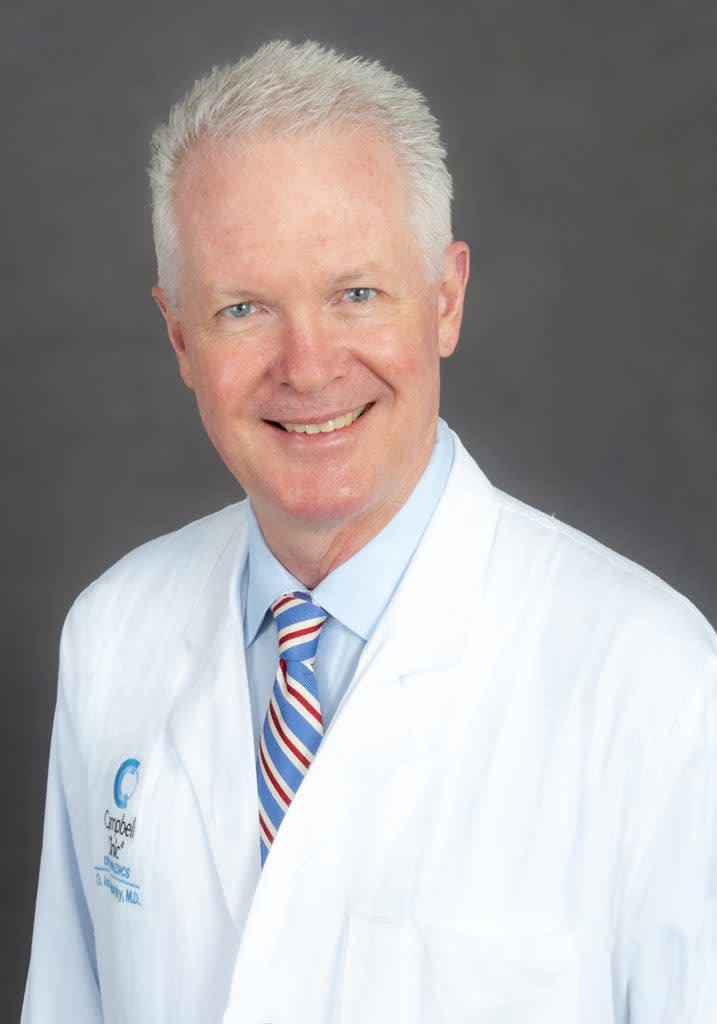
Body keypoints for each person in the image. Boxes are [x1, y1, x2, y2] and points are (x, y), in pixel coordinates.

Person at [23, 39, 715, 1024]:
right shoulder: (114, 636)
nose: (308, 367)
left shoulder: (654, 683)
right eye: (242, 307)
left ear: (445, 300)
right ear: (179, 336)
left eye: (355, 293)